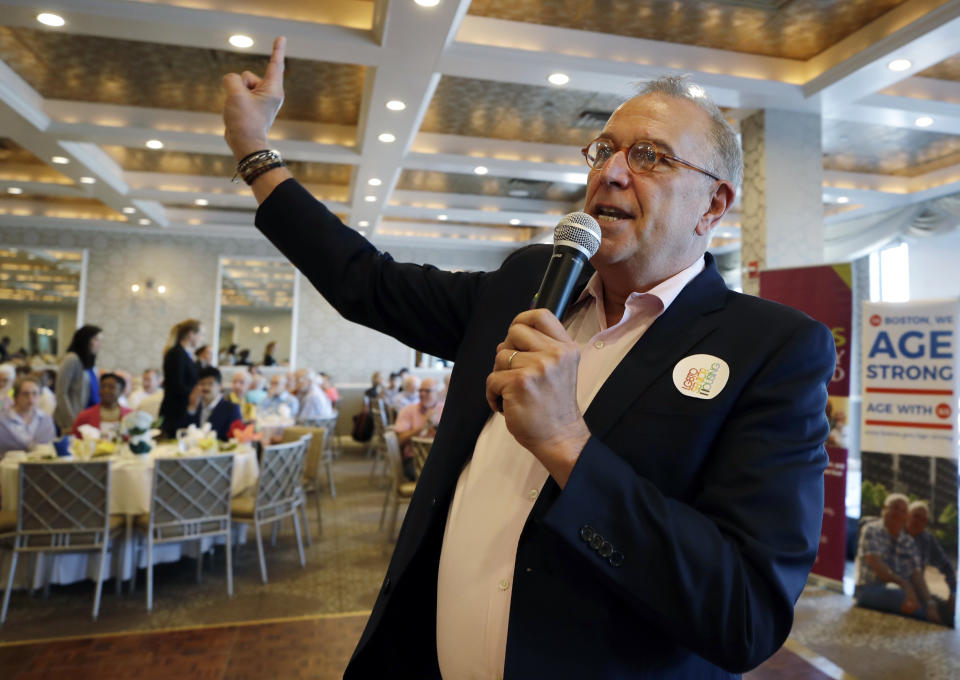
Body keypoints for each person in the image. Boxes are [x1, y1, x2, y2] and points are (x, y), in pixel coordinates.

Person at [224, 40, 834, 678]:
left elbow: (744, 616)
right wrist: (255, 153)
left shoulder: (772, 350)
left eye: (649, 156)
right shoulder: (526, 284)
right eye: (604, 151)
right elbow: (365, 282)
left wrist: (568, 445)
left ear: (713, 205)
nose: (611, 173)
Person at [855, 494, 946, 625]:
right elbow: (876, 564)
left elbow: (918, 577)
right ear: (884, 509)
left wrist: (930, 602)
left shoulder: (908, 541)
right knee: (901, 597)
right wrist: (905, 585)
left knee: (938, 604)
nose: (898, 513)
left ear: (906, 516)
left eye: (903, 511)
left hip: (902, 590)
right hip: (870, 589)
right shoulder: (871, 530)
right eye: (895, 508)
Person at [906, 500, 956, 615]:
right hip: (897, 589)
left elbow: (946, 566)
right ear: (907, 515)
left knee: (949, 613)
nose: (918, 522)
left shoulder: (926, 540)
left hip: (919, 592)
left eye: (923, 520)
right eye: (916, 516)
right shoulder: (897, 531)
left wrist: (953, 593)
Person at [53, 325, 102, 433]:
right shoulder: (72, 359)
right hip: (70, 420)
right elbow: (61, 393)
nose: (100, 344)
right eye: (97, 339)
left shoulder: (90, 364)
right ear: (86, 340)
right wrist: (72, 421)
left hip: (86, 420)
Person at [393, 377, 444, 481]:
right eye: (420, 390)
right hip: (414, 458)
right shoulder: (408, 410)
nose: (422, 394)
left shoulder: (445, 410)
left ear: (437, 394)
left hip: (440, 458)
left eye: (427, 391)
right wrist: (422, 426)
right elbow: (399, 440)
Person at [159, 318, 202, 438]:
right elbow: (176, 386)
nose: (201, 338)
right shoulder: (176, 354)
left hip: (182, 410)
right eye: (200, 334)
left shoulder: (184, 354)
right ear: (191, 334)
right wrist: (195, 392)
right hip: (176, 413)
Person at [0, 377, 57, 458]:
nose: (30, 399)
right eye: (25, 394)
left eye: (35, 393)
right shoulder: (2, 421)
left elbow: (50, 448)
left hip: (41, 468)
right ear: (16, 397)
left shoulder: (46, 420)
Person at [186, 366, 243, 441]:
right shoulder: (193, 406)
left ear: (220, 387)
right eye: (202, 384)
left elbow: (236, 439)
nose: (205, 387)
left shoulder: (231, 409)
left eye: (210, 384)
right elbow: (183, 432)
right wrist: (192, 407)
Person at [71, 372, 131, 438]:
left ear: (121, 391)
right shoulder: (85, 416)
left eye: (111, 387)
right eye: (103, 386)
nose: (106, 390)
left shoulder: (130, 415)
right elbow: (74, 440)